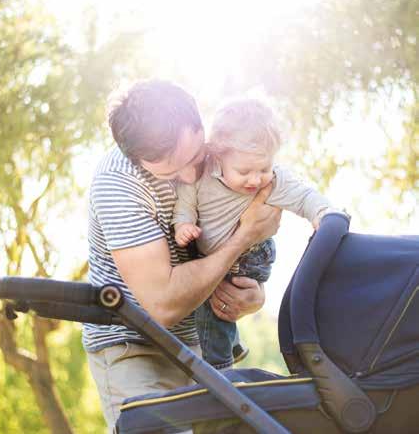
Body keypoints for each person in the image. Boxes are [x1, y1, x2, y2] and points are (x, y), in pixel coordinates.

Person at [84, 80, 282, 432]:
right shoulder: (118, 184)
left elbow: (247, 243)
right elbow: (164, 305)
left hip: (199, 343)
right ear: (138, 157)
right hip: (134, 346)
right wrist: (243, 237)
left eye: (195, 158)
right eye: (173, 172)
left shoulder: (224, 153)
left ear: (198, 122)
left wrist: (252, 296)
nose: (191, 175)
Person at [173, 98, 337, 370]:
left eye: (263, 168)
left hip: (252, 256)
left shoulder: (274, 182)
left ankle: (219, 369)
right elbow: (185, 202)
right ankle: (233, 345)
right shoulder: (201, 176)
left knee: (210, 302)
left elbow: (305, 196)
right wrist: (183, 224)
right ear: (217, 156)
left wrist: (323, 215)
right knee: (211, 290)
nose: (255, 180)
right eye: (244, 171)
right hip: (219, 253)